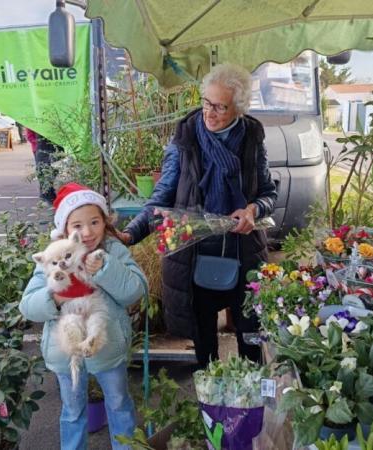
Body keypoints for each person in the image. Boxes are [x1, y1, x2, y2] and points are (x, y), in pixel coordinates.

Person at [118, 63, 278, 369]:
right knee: (204, 344)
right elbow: (161, 199)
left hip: (244, 253)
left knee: (250, 339)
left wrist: (253, 210)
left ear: (239, 109)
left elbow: (268, 193)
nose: (210, 112)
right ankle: (211, 403)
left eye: (220, 106)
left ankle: (248, 403)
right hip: (192, 253)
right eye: (206, 102)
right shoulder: (185, 139)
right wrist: (131, 233)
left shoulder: (252, 139)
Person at [19, 182, 147, 450]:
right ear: (65, 229)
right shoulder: (53, 256)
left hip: (107, 345)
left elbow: (135, 290)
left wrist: (105, 269)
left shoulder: (112, 250)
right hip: (66, 352)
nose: (87, 232)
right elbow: (28, 305)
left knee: (119, 405)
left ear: (105, 221)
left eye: (94, 222)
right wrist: (54, 298)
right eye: (77, 225)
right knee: (73, 411)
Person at [26, 128, 60, 203]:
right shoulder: (33, 123)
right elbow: (30, 136)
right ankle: (45, 193)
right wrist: (37, 143)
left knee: (52, 170)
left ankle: (48, 192)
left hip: (50, 148)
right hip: (39, 148)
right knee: (42, 170)